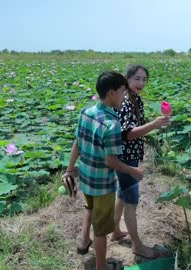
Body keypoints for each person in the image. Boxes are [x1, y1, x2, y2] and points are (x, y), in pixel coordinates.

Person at [62, 71, 145, 270]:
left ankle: (83, 242)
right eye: (122, 92)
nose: (125, 96)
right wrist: (133, 171)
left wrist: (70, 169)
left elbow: (77, 142)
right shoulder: (112, 124)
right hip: (103, 184)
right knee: (101, 230)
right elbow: (111, 161)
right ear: (110, 93)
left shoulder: (86, 112)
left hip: (86, 177)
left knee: (88, 208)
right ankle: (102, 266)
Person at [111, 64, 171, 259]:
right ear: (127, 79)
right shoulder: (127, 100)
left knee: (122, 194)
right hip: (126, 155)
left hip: (129, 154)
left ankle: (116, 231)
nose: (141, 83)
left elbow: (136, 130)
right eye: (137, 78)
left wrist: (155, 125)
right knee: (131, 201)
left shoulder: (134, 98)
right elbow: (127, 135)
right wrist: (153, 125)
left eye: (144, 79)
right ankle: (137, 245)